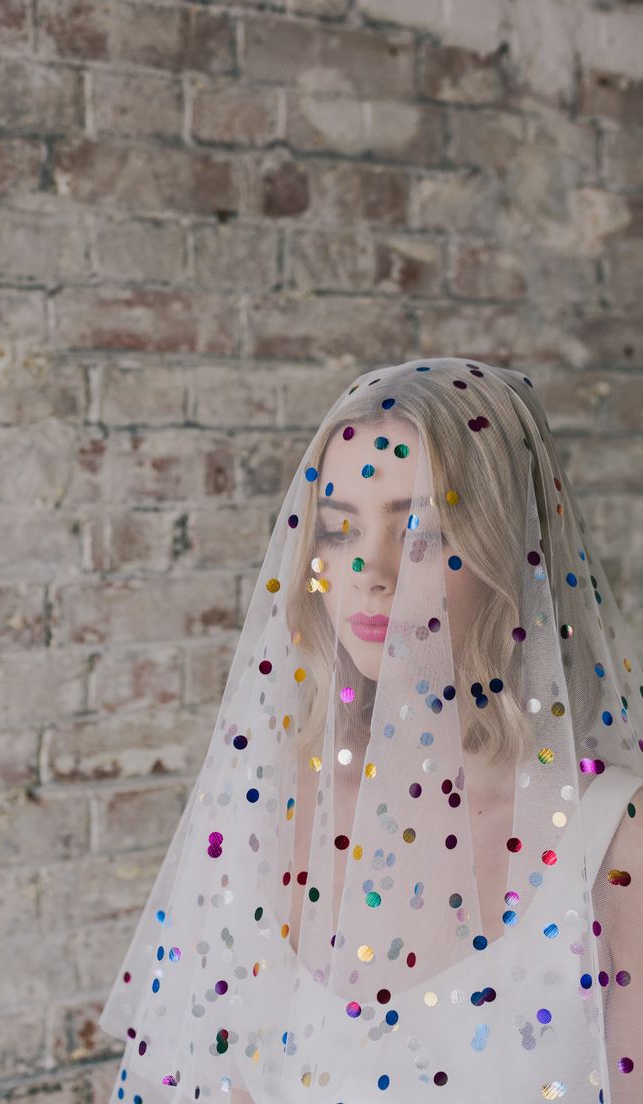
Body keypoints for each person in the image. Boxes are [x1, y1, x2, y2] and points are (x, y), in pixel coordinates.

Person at [98, 358, 643, 1103]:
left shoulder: (613, 836)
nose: (369, 568)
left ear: (509, 552)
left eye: (419, 527)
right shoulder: (265, 810)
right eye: (336, 528)